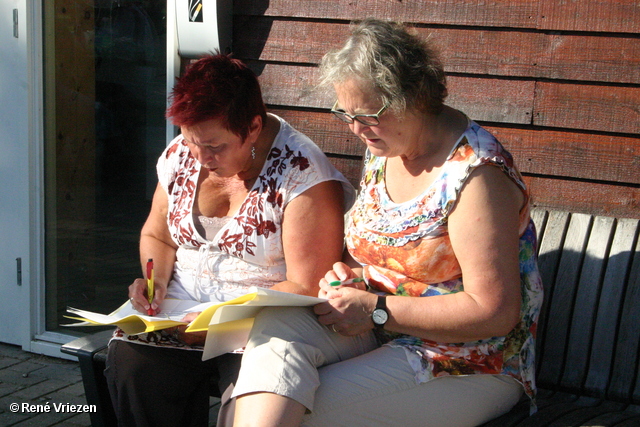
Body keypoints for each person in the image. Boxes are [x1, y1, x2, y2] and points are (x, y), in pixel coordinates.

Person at [230, 19, 544, 427]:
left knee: (294, 409)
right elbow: (372, 248)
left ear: (414, 98)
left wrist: (377, 310)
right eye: (346, 114)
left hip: (470, 361)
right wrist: (350, 274)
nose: (356, 129)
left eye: (367, 115)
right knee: (273, 335)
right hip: (377, 330)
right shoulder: (386, 147)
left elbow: (494, 311)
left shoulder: (476, 176)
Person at [104, 53, 355, 426]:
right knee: (132, 365)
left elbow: (306, 285)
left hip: (260, 329)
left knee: (251, 399)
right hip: (180, 318)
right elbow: (156, 234)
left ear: (253, 127)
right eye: (191, 142)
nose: (200, 156)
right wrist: (154, 282)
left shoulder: (302, 174)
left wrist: (220, 324)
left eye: (215, 147)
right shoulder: (182, 154)